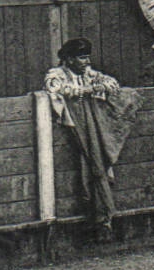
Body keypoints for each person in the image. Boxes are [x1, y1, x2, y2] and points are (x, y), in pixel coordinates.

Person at [44, 39, 143, 241]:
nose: (86, 61)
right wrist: (90, 90)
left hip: (90, 128)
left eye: (87, 57)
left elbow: (112, 84)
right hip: (74, 130)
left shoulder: (88, 72)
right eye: (82, 57)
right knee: (92, 166)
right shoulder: (55, 74)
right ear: (69, 59)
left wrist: (96, 87)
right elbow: (57, 89)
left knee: (94, 166)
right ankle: (98, 220)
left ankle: (100, 220)